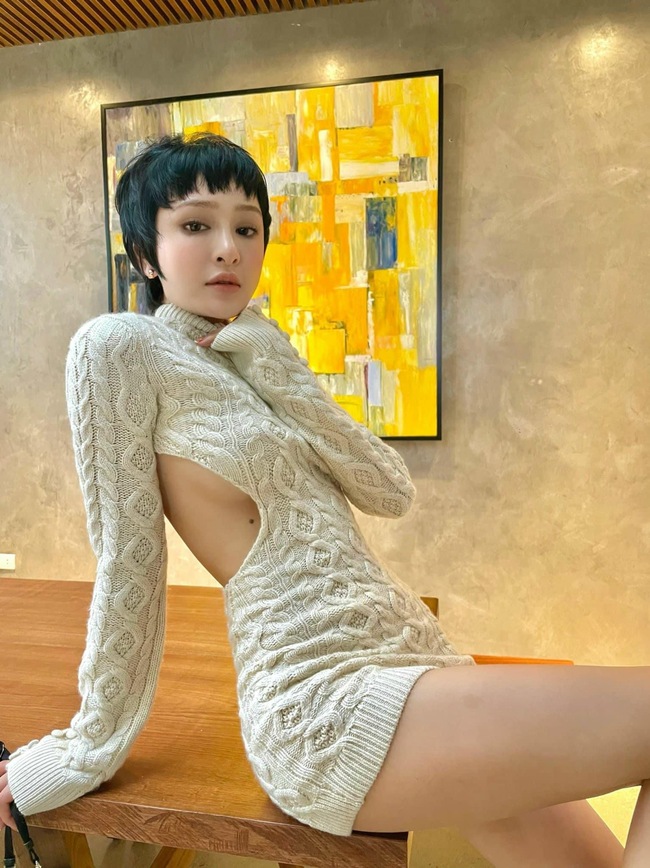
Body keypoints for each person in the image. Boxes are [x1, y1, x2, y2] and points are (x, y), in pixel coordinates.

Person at [0, 131, 647, 867]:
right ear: (146, 255)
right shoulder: (119, 348)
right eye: (196, 225)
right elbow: (128, 559)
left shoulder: (255, 353)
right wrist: (85, 748)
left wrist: (276, 365)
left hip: (415, 659)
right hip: (321, 697)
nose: (228, 249)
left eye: (248, 228)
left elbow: (388, 489)